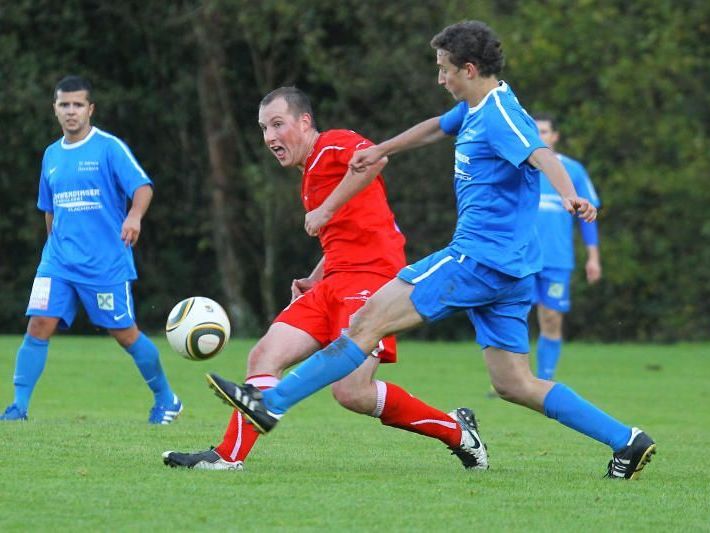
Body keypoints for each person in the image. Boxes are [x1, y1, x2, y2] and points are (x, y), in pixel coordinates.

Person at [206, 21, 656, 480]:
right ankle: (627, 440)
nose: (440, 79)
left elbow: (542, 155)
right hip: (511, 270)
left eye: (444, 70)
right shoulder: (476, 106)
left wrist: (567, 195)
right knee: (513, 382)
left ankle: (270, 404)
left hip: (477, 259)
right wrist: (384, 148)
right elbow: (433, 129)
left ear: (469, 68)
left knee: (366, 322)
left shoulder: (500, 114)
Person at [162, 87, 487, 471]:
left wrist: (326, 208)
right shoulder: (309, 174)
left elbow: (374, 160)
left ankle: (458, 433)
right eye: (264, 128)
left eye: (278, 124)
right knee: (264, 355)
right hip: (332, 281)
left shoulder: (332, 145)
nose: (269, 137)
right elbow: (346, 233)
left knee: (351, 391)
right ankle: (228, 456)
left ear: (305, 122)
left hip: (373, 279)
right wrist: (315, 277)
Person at [0, 75, 182, 424]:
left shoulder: (108, 147)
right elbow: (48, 208)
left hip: (105, 263)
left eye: (78, 105)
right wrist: (52, 247)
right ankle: (17, 408)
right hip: (58, 261)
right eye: (64, 105)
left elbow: (142, 187)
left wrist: (134, 216)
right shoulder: (51, 155)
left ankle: (167, 398)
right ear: (54, 109)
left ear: (90, 109)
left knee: (124, 334)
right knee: (38, 324)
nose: (71, 111)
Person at [532, 113, 602, 380]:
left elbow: (588, 217)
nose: (541, 137)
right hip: (521, 258)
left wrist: (593, 257)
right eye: (535, 131)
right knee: (511, 317)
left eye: (545, 132)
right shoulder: (520, 167)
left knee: (551, 316)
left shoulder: (573, 171)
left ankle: (544, 379)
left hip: (557, 258)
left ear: (555, 136)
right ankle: (512, 379)